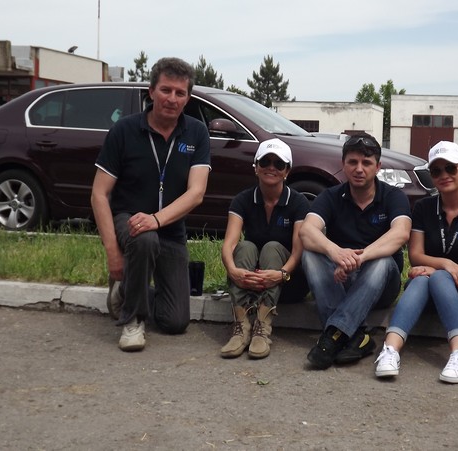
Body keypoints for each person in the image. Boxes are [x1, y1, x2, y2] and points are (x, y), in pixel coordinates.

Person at [91, 57, 211, 352]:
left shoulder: (196, 132)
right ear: (151, 91)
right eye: (166, 90)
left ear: (188, 98)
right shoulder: (124, 130)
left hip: (170, 229)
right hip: (129, 220)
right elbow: (99, 194)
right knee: (144, 238)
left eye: (180, 93)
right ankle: (132, 320)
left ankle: (128, 290)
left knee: (175, 321)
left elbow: (196, 193)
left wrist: (157, 219)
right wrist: (113, 254)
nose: (172, 99)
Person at [374, 141, 458, 383]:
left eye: (450, 168)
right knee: (423, 280)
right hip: (426, 290)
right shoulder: (423, 208)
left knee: (435, 276)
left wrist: (442, 271)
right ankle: (390, 350)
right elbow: (416, 255)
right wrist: (446, 264)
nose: (444, 175)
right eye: (436, 171)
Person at [299, 133, 412, 370]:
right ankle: (354, 336)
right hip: (340, 279)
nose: (359, 169)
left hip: (381, 284)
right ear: (343, 164)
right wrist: (335, 252)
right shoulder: (331, 196)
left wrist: (358, 259)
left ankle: (334, 334)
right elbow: (307, 231)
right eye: (352, 162)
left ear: (378, 167)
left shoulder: (393, 196)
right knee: (310, 254)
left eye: (366, 163)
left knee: (382, 261)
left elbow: (401, 233)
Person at [220, 138, 310, 359]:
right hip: (252, 281)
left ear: (287, 171)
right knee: (245, 247)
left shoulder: (298, 202)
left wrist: (281, 274)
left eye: (279, 164)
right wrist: (233, 270)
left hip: (288, 282)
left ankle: (262, 327)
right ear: (256, 167)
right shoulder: (242, 200)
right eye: (265, 162)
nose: (271, 167)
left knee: (272, 247)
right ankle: (241, 325)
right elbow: (229, 243)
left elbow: (298, 251)